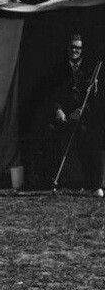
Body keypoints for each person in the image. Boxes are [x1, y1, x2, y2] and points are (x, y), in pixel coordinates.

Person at [52, 33, 105, 196]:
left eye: (78, 48)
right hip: (65, 115)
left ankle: (94, 185)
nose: (75, 50)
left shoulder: (91, 69)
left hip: (86, 116)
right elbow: (53, 94)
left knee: (89, 139)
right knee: (50, 134)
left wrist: (81, 111)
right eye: (72, 47)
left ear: (82, 50)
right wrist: (58, 109)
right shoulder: (60, 69)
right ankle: (54, 180)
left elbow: (95, 96)